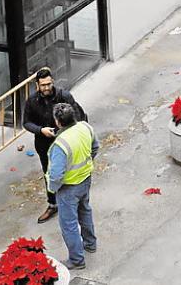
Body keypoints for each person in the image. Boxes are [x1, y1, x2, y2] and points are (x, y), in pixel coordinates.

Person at [23, 68, 89, 224]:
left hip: (66, 142)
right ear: (37, 85)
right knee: (49, 173)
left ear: (52, 81)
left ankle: (74, 201)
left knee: (70, 170)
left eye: (48, 84)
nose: (46, 88)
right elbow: (26, 123)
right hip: (44, 143)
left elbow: (78, 117)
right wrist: (41, 130)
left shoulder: (63, 96)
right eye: (43, 85)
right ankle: (53, 204)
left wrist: (68, 133)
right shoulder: (32, 101)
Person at [47, 102, 99, 271]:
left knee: (68, 224)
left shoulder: (60, 144)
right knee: (85, 211)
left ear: (58, 122)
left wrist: (52, 188)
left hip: (68, 188)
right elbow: (95, 147)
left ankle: (77, 260)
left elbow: (56, 175)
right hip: (85, 179)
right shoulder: (85, 127)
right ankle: (90, 243)